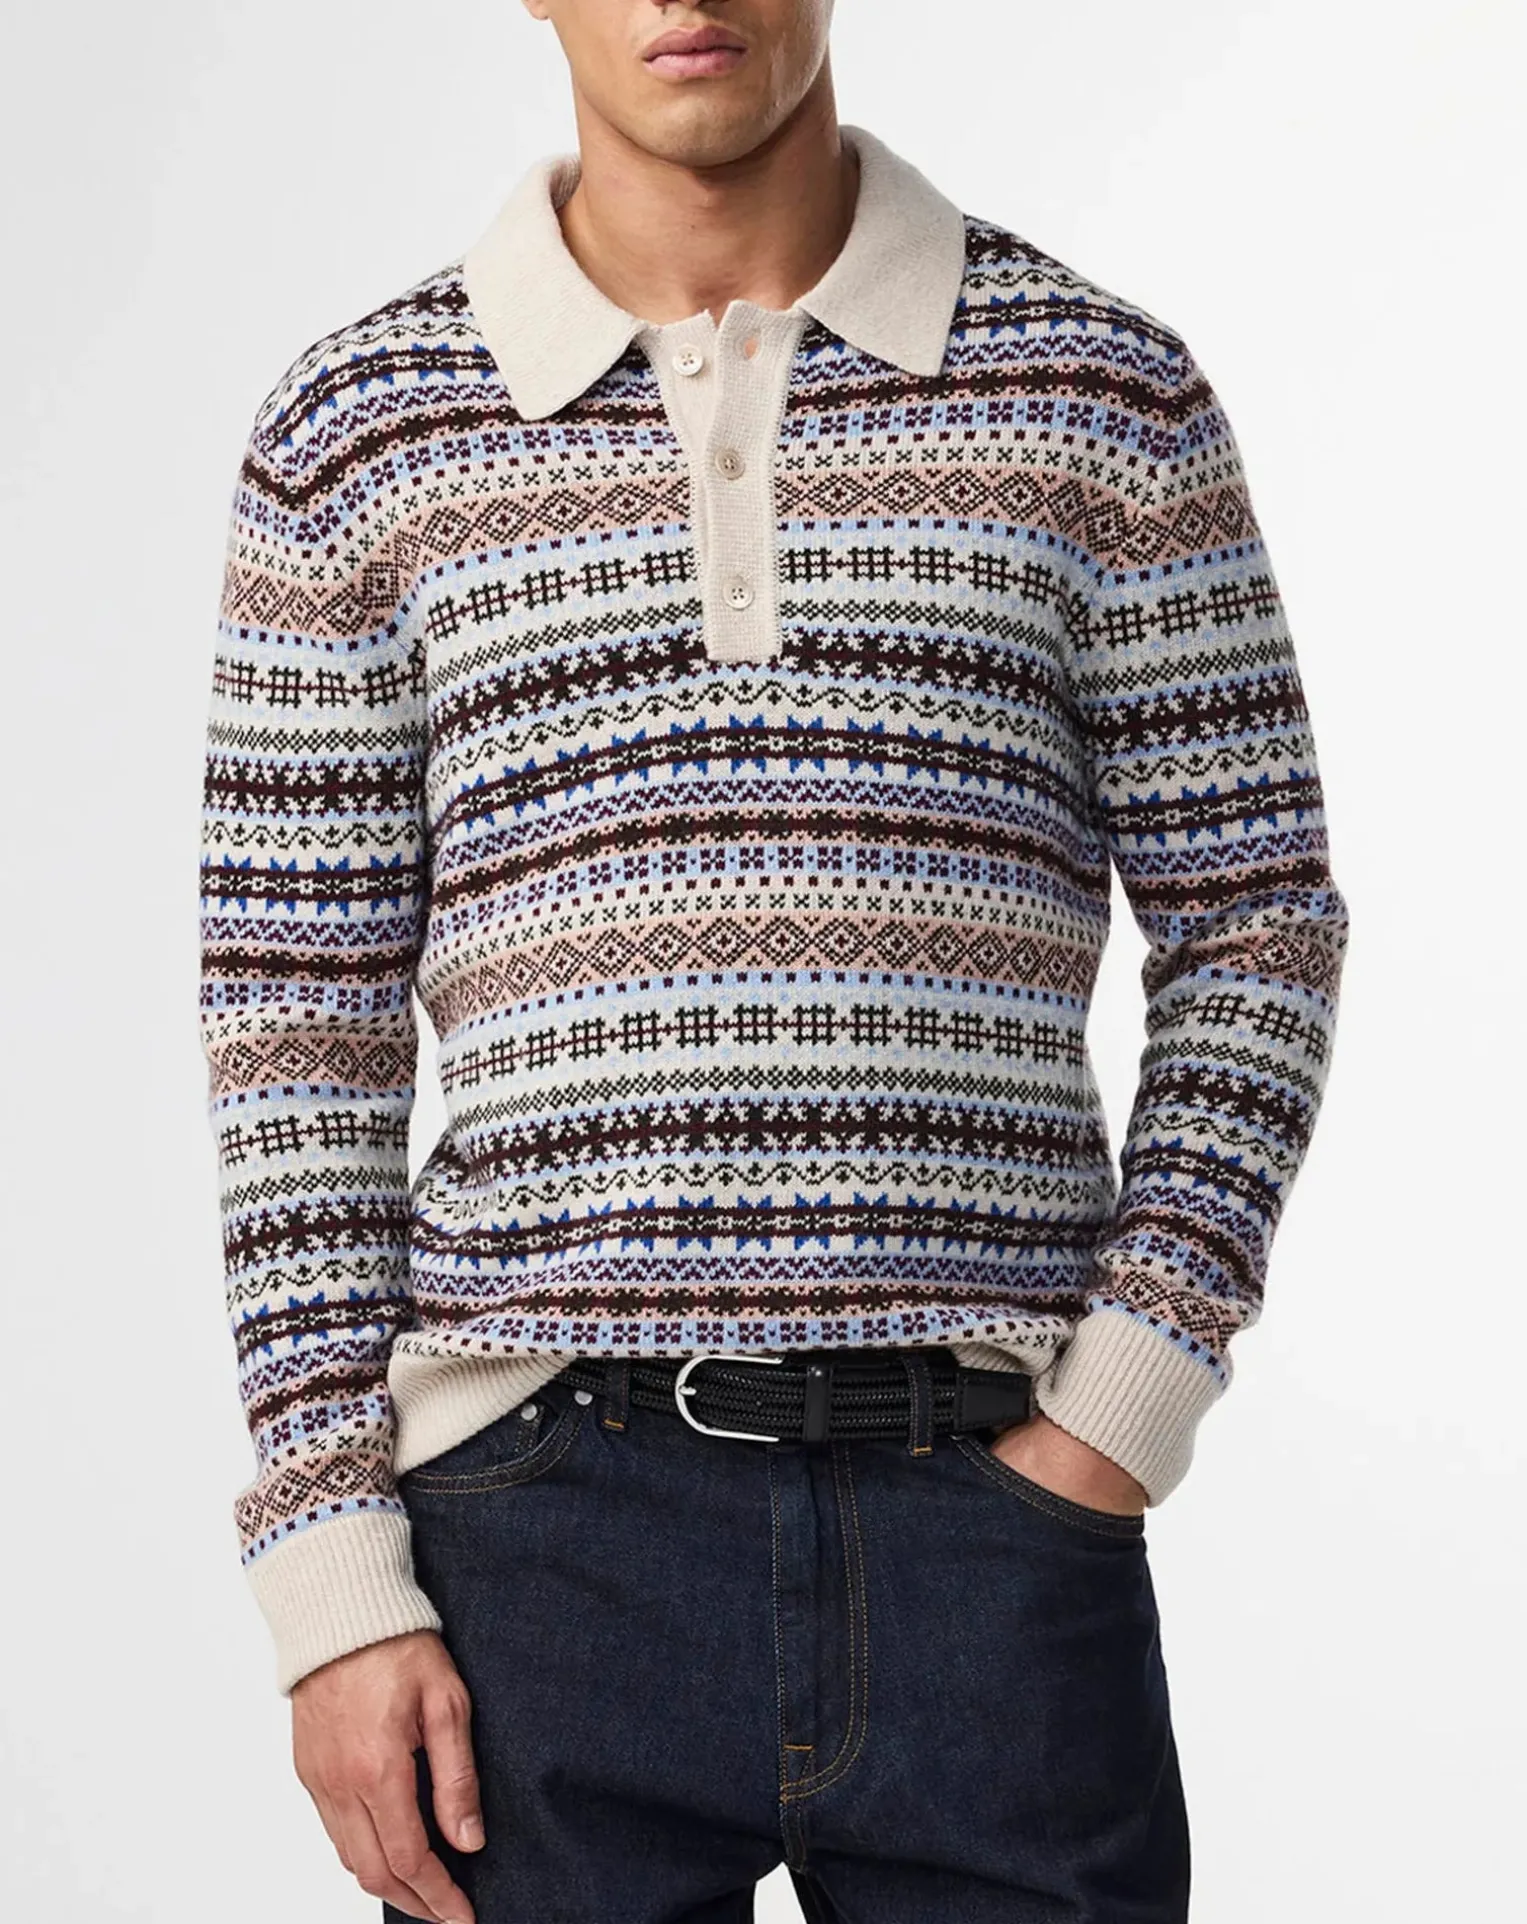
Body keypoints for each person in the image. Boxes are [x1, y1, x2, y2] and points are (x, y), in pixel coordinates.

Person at [197, 4, 1349, 1919]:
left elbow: (1255, 922)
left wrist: (1121, 1409)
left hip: (994, 1510)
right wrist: (329, 1579)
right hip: (534, 1543)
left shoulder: (1100, 394)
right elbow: (292, 1020)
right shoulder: (358, 431)